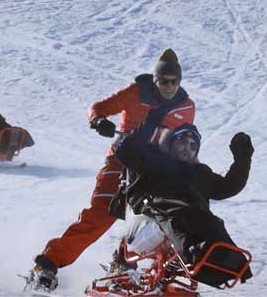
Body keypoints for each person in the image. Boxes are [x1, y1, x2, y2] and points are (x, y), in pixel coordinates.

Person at [31, 49, 196, 291]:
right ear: (155, 79)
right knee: (102, 214)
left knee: (163, 215)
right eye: (164, 81)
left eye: (174, 81)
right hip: (122, 162)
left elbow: (183, 139)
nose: (169, 86)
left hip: (154, 168)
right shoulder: (137, 92)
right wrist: (98, 121)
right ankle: (48, 262)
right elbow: (98, 108)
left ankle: (127, 263)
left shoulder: (185, 105)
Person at [110, 106, 254, 287]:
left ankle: (228, 261)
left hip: (193, 217)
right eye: (182, 141)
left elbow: (228, 187)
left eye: (194, 146)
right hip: (155, 214)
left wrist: (243, 158)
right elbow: (126, 151)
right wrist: (150, 124)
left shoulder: (201, 172)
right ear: (170, 142)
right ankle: (196, 253)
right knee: (183, 219)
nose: (188, 147)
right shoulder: (154, 160)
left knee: (213, 223)